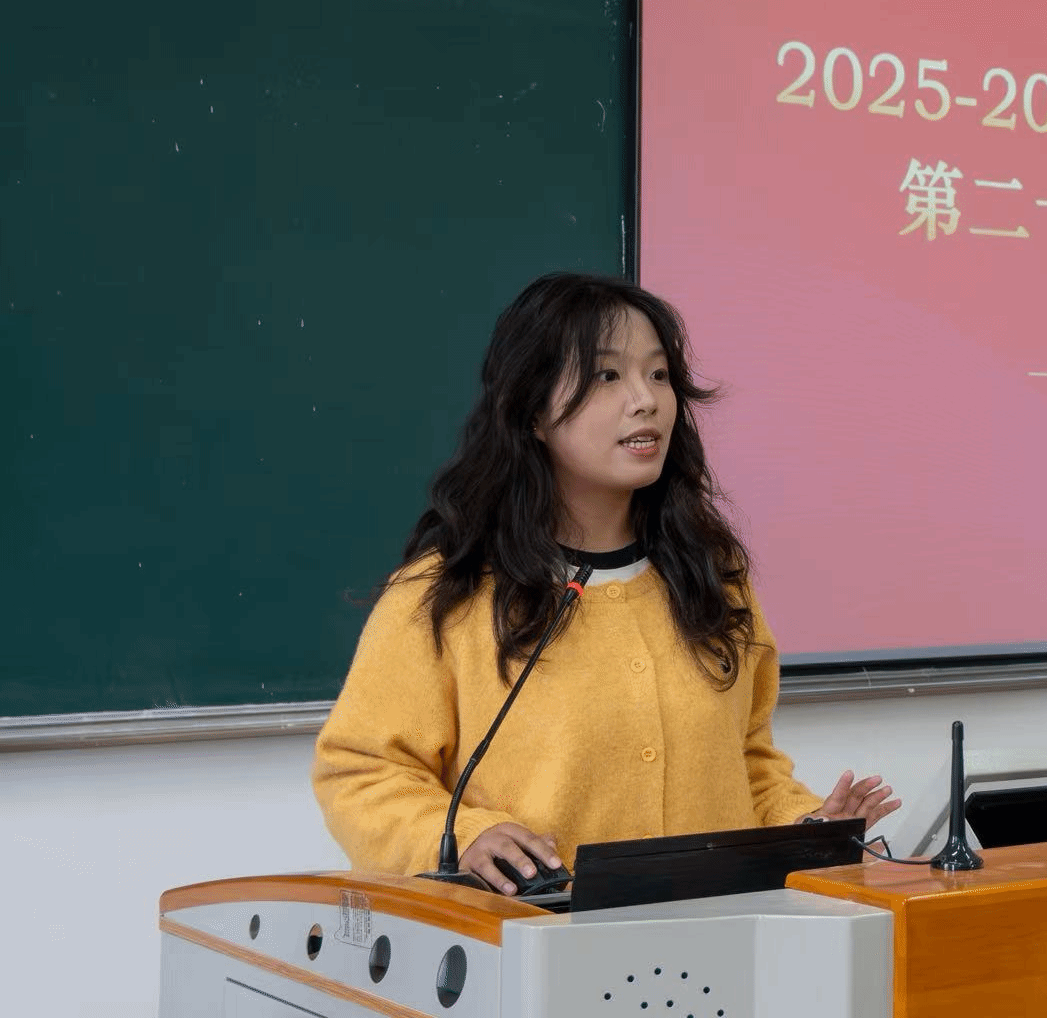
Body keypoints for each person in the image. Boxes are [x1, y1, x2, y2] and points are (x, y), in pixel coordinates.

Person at [312, 272, 898, 894]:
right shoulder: (448, 591)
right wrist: (462, 835)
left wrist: (810, 829)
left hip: (718, 931)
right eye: (607, 376)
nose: (645, 400)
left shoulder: (712, 574)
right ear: (533, 411)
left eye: (659, 374)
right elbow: (362, 772)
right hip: (532, 935)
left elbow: (746, 764)